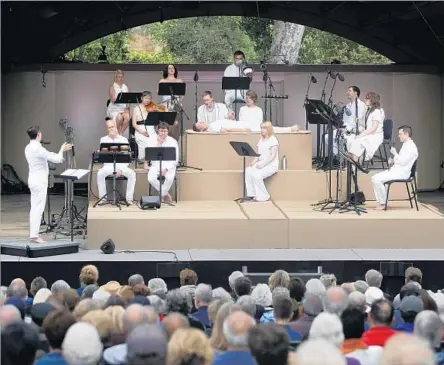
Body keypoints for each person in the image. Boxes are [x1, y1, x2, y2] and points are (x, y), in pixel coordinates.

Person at [25, 126, 71, 243]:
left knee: (34, 207)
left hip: (33, 180)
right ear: (38, 134)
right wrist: (62, 149)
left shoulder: (28, 147)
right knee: (38, 208)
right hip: (39, 181)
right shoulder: (38, 149)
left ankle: (33, 234)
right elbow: (56, 159)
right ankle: (34, 235)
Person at [371, 125, 418, 210]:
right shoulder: (406, 145)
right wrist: (393, 160)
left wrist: (395, 154)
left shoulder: (412, 148)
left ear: (406, 134)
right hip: (396, 171)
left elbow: (402, 162)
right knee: (374, 177)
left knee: (376, 179)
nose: (398, 136)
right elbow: (401, 160)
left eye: (400, 134)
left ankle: (382, 203)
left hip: (402, 174)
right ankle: (382, 201)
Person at [97, 118, 136, 205]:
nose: (111, 129)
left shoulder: (123, 140)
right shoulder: (103, 140)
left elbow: (127, 159)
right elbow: (104, 158)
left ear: (116, 127)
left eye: (113, 127)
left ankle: (129, 198)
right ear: (107, 129)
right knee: (100, 173)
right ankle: (103, 198)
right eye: (109, 127)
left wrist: (121, 170)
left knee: (132, 174)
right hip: (109, 166)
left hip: (122, 167)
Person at [324, 86, 367, 155]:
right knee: (327, 137)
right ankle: (337, 156)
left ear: (356, 93)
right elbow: (344, 120)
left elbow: (360, 122)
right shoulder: (348, 105)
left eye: (349, 91)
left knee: (348, 141)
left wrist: (351, 130)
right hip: (346, 129)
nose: (347, 93)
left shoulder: (361, 105)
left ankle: (348, 159)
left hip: (355, 130)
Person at [244, 122, 279, 202]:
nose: (262, 130)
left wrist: (263, 164)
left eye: (264, 128)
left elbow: (273, 156)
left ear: (269, 130)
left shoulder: (273, 140)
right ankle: (251, 194)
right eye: (262, 128)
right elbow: (258, 154)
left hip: (271, 165)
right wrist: (254, 162)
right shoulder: (260, 140)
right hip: (260, 164)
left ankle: (264, 196)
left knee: (257, 176)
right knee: (248, 171)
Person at [349, 92, 385, 163]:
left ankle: (355, 162)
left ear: (372, 100)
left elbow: (373, 129)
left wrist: (361, 135)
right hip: (369, 134)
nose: (365, 99)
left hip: (375, 135)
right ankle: (354, 160)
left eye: (367, 98)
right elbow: (366, 125)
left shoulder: (377, 111)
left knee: (358, 141)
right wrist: (358, 120)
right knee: (352, 140)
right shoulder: (369, 111)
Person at [147, 121, 179, 202]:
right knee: (151, 178)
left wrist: (166, 169)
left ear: (168, 132)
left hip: (169, 164)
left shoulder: (173, 141)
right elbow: (151, 156)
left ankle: (162, 194)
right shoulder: (152, 139)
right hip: (156, 164)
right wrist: (158, 143)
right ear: (158, 131)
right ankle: (165, 194)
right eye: (161, 131)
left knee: (169, 177)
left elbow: (176, 159)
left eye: (165, 131)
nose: (163, 133)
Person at [131, 91, 159, 169]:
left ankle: (154, 162)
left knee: (157, 140)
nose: (147, 100)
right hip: (140, 130)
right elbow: (134, 124)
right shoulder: (136, 108)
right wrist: (143, 132)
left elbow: (156, 121)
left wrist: (155, 113)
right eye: (146, 98)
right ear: (141, 98)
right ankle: (146, 163)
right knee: (148, 142)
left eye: (149, 98)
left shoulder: (152, 107)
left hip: (151, 129)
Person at [158, 64, 183, 140]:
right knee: (165, 125)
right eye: (169, 68)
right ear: (167, 70)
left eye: (173, 68)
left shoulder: (180, 81)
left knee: (175, 124)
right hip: (165, 105)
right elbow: (158, 92)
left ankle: (175, 142)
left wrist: (178, 103)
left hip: (176, 106)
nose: (171, 69)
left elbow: (182, 95)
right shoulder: (162, 81)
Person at [106, 69, 130, 136]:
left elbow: (128, 100)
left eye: (122, 77)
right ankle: (116, 133)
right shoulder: (112, 86)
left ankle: (120, 133)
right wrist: (121, 98)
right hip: (114, 109)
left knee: (128, 117)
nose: (121, 78)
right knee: (119, 117)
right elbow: (113, 99)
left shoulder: (126, 87)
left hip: (123, 109)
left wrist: (126, 110)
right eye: (119, 77)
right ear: (116, 78)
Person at [192, 119, 300, 134]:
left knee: (265, 126)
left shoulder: (212, 124)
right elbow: (227, 129)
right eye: (199, 123)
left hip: (242, 123)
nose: (201, 121)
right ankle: (290, 129)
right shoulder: (212, 128)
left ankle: (290, 128)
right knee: (266, 129)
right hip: (243, 127)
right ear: (201, 128)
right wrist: (242, 129)